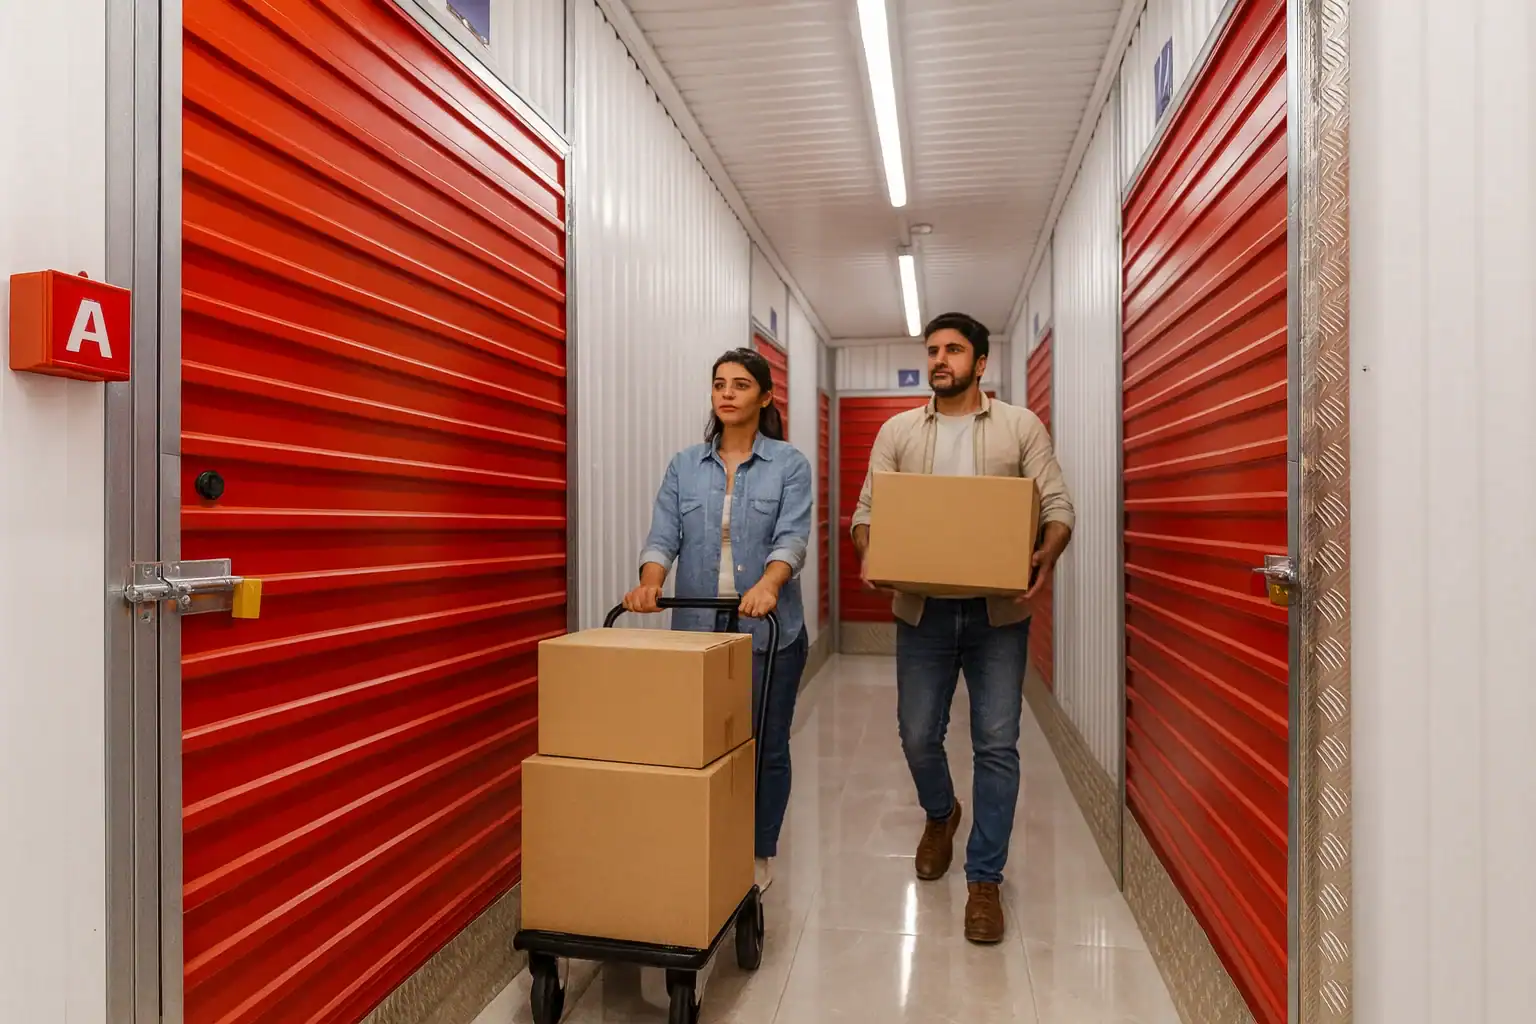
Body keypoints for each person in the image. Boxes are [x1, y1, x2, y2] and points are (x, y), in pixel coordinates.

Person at [850, 311, 1075, 944]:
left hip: (996, 615)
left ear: (980, 363)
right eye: (933, 350)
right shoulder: (898, 431)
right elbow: (867, 511)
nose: (939, 359)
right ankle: (940, 812)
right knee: (918, 734)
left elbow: (1057, 505)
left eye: (953, 350)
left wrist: (1046, 553)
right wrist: (871, 551)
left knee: (996, 744)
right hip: (922, 610)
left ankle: (985, 881)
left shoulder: (1019, 427)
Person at [624, 347, 814, 894]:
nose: (727, 393)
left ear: (764, 396)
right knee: (697, 745)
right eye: (718, 384)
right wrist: (651, 580)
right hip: (696, 634)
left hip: (768, 635)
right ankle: (699, 841)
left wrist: (769, 585)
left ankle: (758, 850)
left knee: (764, 746)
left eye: (739, 385)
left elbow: (793, 537)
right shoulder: (685, 465)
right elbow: (664, 534)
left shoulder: (789, 464)